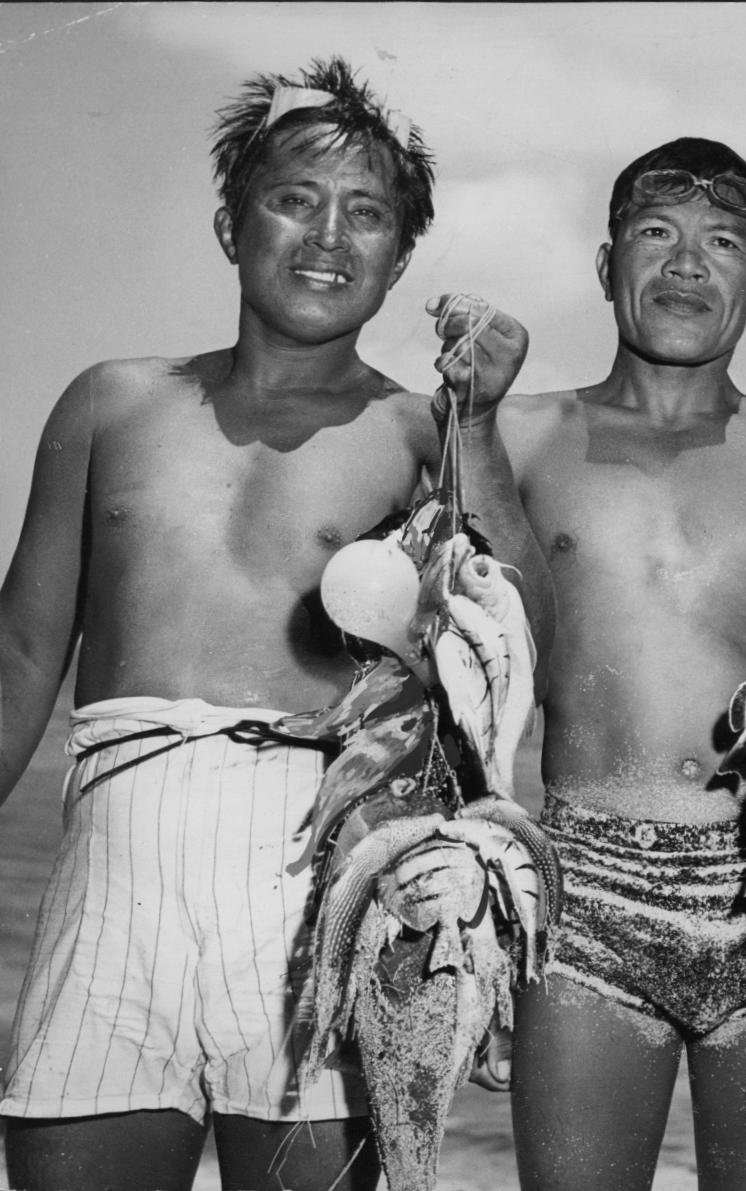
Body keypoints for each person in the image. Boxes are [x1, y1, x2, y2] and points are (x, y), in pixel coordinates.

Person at [0, 58, 552, 1191]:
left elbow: (520, 633)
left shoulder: (417, 433)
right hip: (115, 864)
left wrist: (478, 427)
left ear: (401, 259)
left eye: (368, 216)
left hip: (321, 878)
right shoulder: (111, 402)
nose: (328, 236)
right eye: (295, 198)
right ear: (228, 223)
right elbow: (16, 655)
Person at [446, 136, 746, 1191]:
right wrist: (473, 424)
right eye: (656, 234)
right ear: (606, 268)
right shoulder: (523, 431)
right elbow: (499, 637)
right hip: (583, 896)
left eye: (721, 242)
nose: (687, 265)